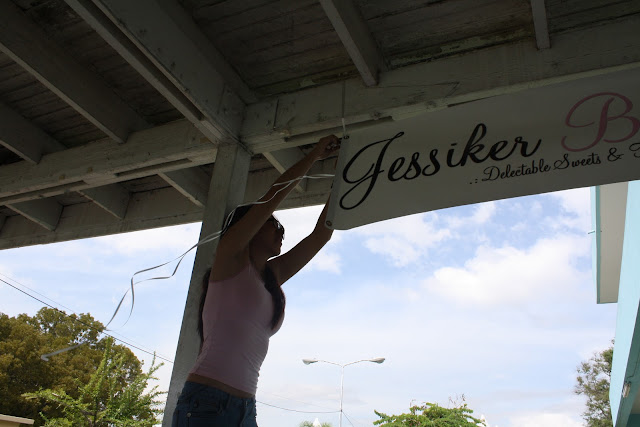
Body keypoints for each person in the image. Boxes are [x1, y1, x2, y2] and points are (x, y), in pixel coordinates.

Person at [172, 135, 341, 426]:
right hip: (206, 403)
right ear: (246, 229)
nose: (280, 231)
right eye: (272, 224)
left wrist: (345, 178)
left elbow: (321, 234)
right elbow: (271, 198)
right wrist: (313, 156)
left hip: (245, 407)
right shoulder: (230, 258)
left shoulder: (273, 276)